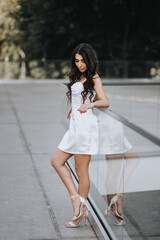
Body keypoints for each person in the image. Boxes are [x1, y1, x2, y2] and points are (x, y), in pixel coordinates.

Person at [51, 43, 109, 228]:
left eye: (83, 60)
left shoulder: (94, 77)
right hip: (75, 126)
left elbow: (105, 101)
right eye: (77, 61)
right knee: (56, 161)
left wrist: (88, 105)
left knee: (81, 170)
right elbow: (79, 96)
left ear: (89, 59)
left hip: (86, 128)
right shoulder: (79, 76)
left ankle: (80, 210)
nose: (80, 64)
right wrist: (73, 108)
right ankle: (76, 200)